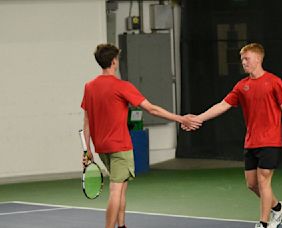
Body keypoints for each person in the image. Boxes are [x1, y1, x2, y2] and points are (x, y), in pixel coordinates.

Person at [182, 43, 282, 228]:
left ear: (258, 59)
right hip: (251, 141)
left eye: (246, 58)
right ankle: (278, 208)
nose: (243, 62)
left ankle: (263, 223)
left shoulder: (274, 81)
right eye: (242, 59)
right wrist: (199, 118)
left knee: (263, 180)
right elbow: (222, 105)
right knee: (252, 184)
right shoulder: (241, 86)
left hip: (271, 140)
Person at [81, 43, 201, 228]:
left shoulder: (89, 87)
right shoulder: (122, 86)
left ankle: (121, 225)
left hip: (102, 148)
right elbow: (151, 109)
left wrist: (87, 150)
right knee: (115, 190)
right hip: (120, 146)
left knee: (121, 189)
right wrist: (180, 118)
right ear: (114, 62)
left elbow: (87, 122)